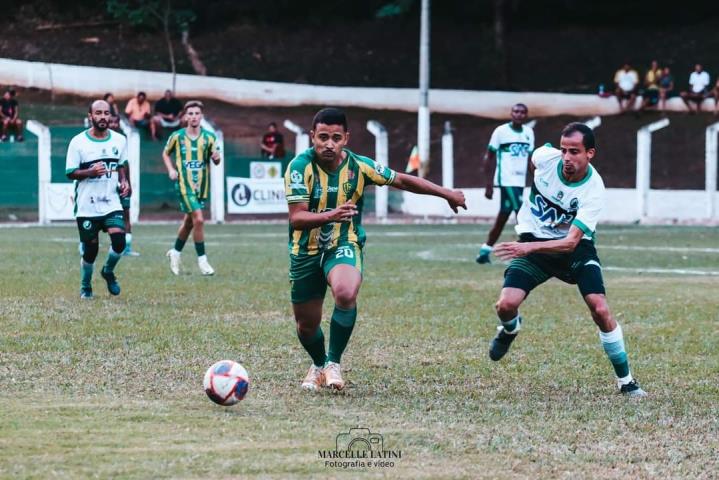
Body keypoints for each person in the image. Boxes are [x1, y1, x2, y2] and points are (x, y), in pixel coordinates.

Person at [284, 107, 466, 392]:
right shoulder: (299, 167)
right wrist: (331, 215)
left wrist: (446, 193)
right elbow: (297, 218)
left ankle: (333, 362)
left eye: (335, 137)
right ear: (312, 137)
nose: (328, 144)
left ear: (346, 138)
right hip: (304, 251)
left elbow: (402, 179)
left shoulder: (359, 166)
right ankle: (319, 364)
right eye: (322, 137)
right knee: (306, 326)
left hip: (343, 243)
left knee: (345, 292)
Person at [488, 122, 647, 397]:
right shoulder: (544, 158)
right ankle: (510, 329)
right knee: (505, 305)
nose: (567, 158)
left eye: (574, 151)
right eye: (563, 150)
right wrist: (530, 236)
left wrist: (528, 249)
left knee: (600, 308)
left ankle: (627, 381)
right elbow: (536, 160)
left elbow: (571, 242)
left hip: (572, 249)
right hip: (533, 242)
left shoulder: (593, 189)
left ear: (590, 154)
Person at [66, 100, 130, 299]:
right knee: (90, 251)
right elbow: (70, 173)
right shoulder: (78, 142)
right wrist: (90, 172)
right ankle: (86, 285)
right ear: (90, 116)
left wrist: (124, 181)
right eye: (98, 113)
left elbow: (122, 164)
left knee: (120, 242)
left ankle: (108, 271)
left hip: (111, 202)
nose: (103, 117)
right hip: (87, 205)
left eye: (106, 113)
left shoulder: (119, 140)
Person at [163, 100, 221, 276]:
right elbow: (165, 153)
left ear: (201, 116)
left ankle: (175, 252)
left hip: (201, 187)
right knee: (199, 219)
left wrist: (217, 157)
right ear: (185, 116)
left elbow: (217, 161)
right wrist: (171, 169)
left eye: (197, 113)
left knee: (189, 223)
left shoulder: (210, 137)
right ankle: (202, 261)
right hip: (184, 185)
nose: (194, 116)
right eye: (191, 113)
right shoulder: (177, 136)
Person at [476, 103, 534, 264]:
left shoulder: (529, 133)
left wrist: (537, 180)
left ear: (526, 115)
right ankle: (527, 253)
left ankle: (485, 250)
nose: (519, 114)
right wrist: (488, 184)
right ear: (511, 113)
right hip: (506, 180)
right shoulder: (501, 132)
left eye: (523, 112)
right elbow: (489, 157)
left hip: (520, 182)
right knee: (521, 212)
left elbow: (530, 160)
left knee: (503, 216)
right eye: (516, 111)